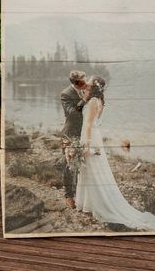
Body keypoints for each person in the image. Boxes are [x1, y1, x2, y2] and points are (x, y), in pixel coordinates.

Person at [75, 76, 155, 231]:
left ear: (94, 86)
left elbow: (88, 124)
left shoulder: (94, 102)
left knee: (93, 170)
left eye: (89, 82)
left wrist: (86, 145)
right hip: (92, 136)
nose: (86, 83)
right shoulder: (97, 100)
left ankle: (99, 205)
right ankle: (88, 203)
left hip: (90, 138)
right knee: (88, 170)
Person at [61, 70, 87, 209]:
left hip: (84, 133)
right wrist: (84, 100)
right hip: (70, 134)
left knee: (81, 164)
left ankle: (80, 194)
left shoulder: (85, 90)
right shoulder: (66, 94)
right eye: (84, 80)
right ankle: (68, 196)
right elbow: (71, 114)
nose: (86, 82)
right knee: (69, 165)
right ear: (76, 83)